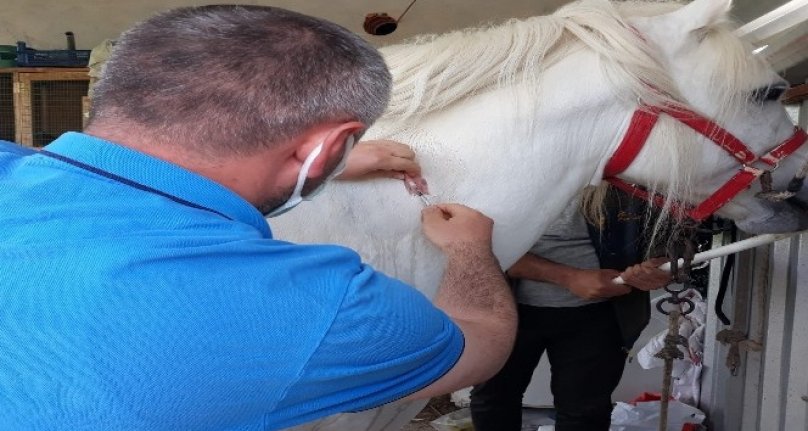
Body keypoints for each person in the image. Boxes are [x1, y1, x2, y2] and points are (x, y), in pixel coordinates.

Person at [0, 6, 516, 431]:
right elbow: (481, 341)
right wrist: (469, 247)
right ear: (325, 148)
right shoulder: (321, 302)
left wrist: (323, 167)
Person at [469, 188, 672, 431]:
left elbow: (669, 237)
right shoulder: (502, 173)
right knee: (493, 399)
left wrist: (660, 265)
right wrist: (570, 277)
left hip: (600, 313)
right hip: (504, 308)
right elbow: (477, 246)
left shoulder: (630, 173)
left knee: (584, 412)